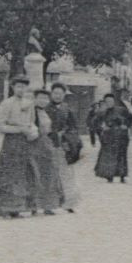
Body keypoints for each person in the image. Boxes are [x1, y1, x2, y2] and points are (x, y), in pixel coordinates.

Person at [0, 76, 39, 218]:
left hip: (25, 142)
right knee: (8, 174)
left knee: (24, 173)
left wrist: (32, 131)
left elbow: (33, 122)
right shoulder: (6, 103)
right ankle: (4, 208)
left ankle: (19, 207)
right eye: (18, 87)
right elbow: (0, 125)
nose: (21, 90)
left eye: (24, 87)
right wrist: (18, 129)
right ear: (13, 88)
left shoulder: (29, 104)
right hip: (11, 142)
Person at [27, 89, 65, 214]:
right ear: (35, 99)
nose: (43, 101)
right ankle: (34, 206)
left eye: (45, 98)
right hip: (34, 144)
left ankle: (48, 205)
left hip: (46, 144)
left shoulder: (45, 111)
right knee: (35, 174)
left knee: (49, 174)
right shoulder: (30, 111)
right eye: (40, 98)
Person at [47, 83, 81, 212]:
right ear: (51, 94)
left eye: (60, 94)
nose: (57, 96)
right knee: (50, 173)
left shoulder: (67, 109)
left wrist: (68, 137)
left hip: (64, 146)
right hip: (49, 144)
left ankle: (69, 203)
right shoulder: (45, 108)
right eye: (55, 93)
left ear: (64, 95)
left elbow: (74, 127)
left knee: (66, 174)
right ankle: (49, 203)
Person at [93, 93, 132, 183]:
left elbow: (131, 118)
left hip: (121, 136)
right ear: (105, 102)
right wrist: (102, 128)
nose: (109, 103)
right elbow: (95, 123)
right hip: (109, 137)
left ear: (114, 101)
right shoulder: (101, 112)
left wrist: (126, 125)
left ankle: (122, 176)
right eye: (107, 101)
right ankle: (109, 175)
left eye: (111, 101)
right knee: (109, 157)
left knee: (122, 156)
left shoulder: (122, 110)